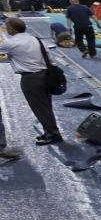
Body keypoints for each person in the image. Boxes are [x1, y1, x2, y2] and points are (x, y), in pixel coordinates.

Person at [0, 17, 63, 145]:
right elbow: (48, 57)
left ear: (11, 29)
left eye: (7, 28)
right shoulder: (36, 39)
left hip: (31, 78)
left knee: (39, 107)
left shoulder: (11, 43)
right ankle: (49, 131)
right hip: (46, 75)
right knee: (46, 105)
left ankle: (53, 134)